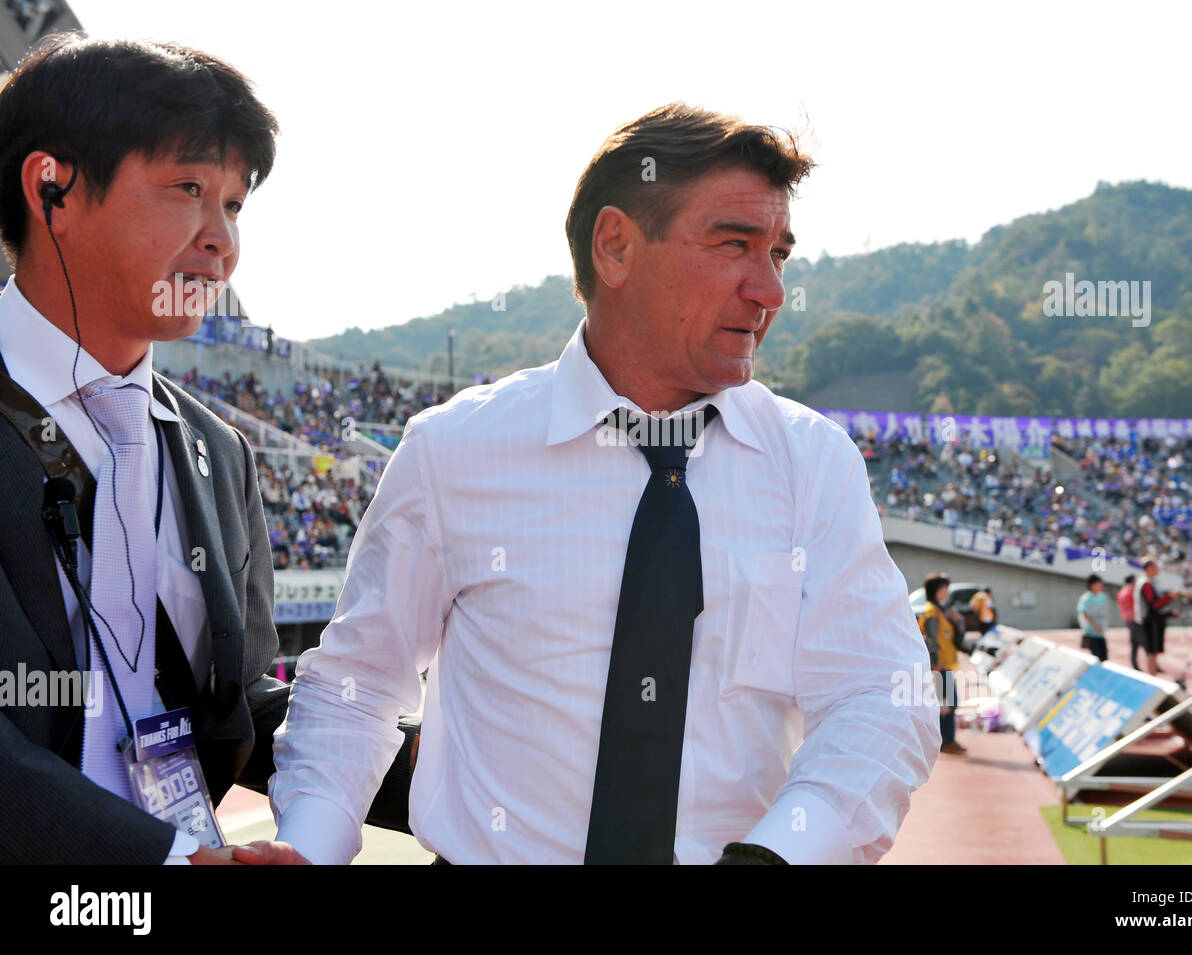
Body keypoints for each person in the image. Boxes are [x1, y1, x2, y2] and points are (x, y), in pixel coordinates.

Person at [269, 103, 939, 865]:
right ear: (616, 246)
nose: (771, 289)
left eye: (779, 254)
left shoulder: (813, 463)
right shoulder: (452, 450)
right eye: (735, 245)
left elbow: (878, 695)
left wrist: (779, 855)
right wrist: (307, 846)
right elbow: (359, 680)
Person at [0, 34, 412, 864]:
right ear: (53, 190)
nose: (220, 238)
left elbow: (234, 704)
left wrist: (472, 772)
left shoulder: (217, 450)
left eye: (233, 204)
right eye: (187, 188)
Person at [917, 573, 964, 754]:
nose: (947, 592)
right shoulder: (932, 612)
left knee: (947, 703)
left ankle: (947, 739)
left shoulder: (940, 611)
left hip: (946, 663)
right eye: (944, 588)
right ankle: (946, 740)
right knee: (946, 703)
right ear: (936, 591)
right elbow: (931, 639)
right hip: (941, 665)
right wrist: (934, 662)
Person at [1135, 558, 1180, 676]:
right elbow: (1154, 604)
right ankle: (1152, 676)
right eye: (1155, 567)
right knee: (1151, 651)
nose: (1157, 569)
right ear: (1149, 568)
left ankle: (1153, 674)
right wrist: (1170, 597)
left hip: (1152, 620)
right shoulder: (1146, 583)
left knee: (1153, 652)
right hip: (1150, 621)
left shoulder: (1150, 582)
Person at [1077, 574, 1109, 662]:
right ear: (1092, 585)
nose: (1101, 585)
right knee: (1095, 657)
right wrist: (1094, 624)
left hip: (1101, 632)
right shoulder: (1086, 598)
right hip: (1091, 632)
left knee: (1104, 656)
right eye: (1099, 583)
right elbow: (1084, 611)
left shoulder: (1102, 596)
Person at [1116, 573, 1143, 669]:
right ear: (1132, 581)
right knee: (1144, 642)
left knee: (1134, 642)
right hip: (1136, 619)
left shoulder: (1121, 592)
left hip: (1127, 619)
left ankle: (1134, 663)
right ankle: (1151, 663)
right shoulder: (1133, 591)